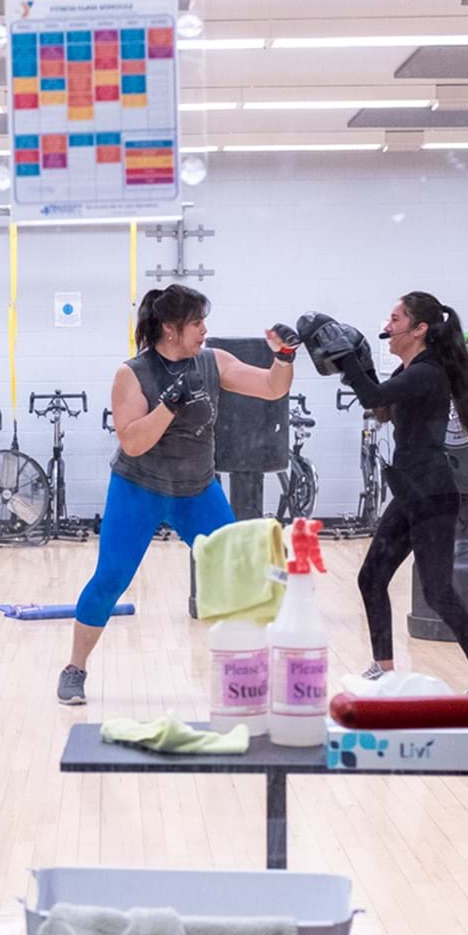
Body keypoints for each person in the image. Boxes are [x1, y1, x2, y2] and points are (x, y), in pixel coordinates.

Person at [56, 285, 296, 705]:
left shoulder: (213, 361)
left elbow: (272, 388)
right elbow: (133, 443)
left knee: (240, 573)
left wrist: (284, 357)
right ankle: (75, 668)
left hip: (196, 491)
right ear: (170, 328)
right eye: (197, 323)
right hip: (139, 488)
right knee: (111, 578)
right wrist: (168, 405)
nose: (204, 330)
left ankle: (250, 671)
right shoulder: (132, 373)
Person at [335, 291, 468, 694]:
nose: (387, 327)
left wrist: (345, 357)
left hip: (432, 496)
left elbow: (373, 397)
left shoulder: (428, 372)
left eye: (395, 319)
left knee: (437, 591)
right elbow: (380, 407)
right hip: (411, 493)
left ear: (419, 329)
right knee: (371, 577)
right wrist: (358, 364)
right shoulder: (407, 371)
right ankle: (384, 668)